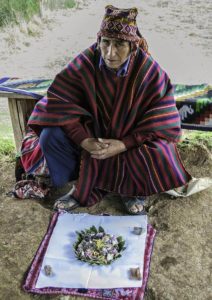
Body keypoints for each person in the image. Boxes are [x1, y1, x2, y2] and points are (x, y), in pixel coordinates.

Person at [26, 5, 191, 214]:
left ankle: (132, 191)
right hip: (92, 135)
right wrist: (84, 140)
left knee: (160, 150)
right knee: (50, 135)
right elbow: (59, 102)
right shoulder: (86, 61)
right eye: (106, 43)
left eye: (120, 44)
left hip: (129, 140)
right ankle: (81, 184)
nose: (110, 53)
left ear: (133, 45)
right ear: (99, 41)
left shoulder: (150, 73)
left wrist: (123, 144)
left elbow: (162, 120)